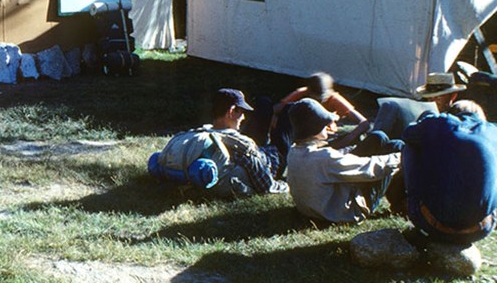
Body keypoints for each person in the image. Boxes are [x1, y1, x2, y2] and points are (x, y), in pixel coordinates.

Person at [403, 73, 497, 245]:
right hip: (481, 229)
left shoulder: (438, 122)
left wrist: (426, 121)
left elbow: (407, 134)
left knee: (410, 146)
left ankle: (412, 204)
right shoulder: (492, 131)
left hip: (433, 225)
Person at [150, 88, 287, 197]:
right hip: (271, 158)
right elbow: (266, 185)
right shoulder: (241, 145)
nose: (244, 118)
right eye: (241, 113)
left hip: (234, 142)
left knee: (264, 103)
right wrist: (285, 185)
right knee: (287, 113)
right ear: (231, 112)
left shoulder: (200, 131)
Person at [287, 98, 403, 223]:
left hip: (315, 209)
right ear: (314, 129)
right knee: (395, 146)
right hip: (344, 213)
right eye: (323, 124)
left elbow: (334, 159)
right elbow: (371, 169)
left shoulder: (293, 152)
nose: (327, 126)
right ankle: (401, 203)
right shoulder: (325, 158)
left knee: (378, 137)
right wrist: (404, 156)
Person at [274, 72, 370, 149]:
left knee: (356, 133)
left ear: (329, 92)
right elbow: (274, 110)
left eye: (321, 99)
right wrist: (283, 128)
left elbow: (364, 123)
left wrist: (345, 140)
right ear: (308, 91)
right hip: (301, 135)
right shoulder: (301, 93)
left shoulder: (333, 98)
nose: (318, 101)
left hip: (327, 135)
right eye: (314, 98)